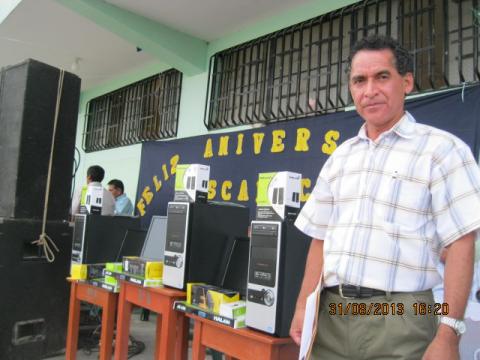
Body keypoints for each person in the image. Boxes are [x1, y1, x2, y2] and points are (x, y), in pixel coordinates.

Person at [290, 35, 480, 360]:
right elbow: (320, 239)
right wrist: (301, 307)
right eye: (359, 80)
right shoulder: (340, 158)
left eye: (382, 77)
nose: (369, 90)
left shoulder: (442, 150)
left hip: (403, 317)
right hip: (330, 315)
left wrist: (449, 332)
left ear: (406, 82)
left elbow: (463, 241)